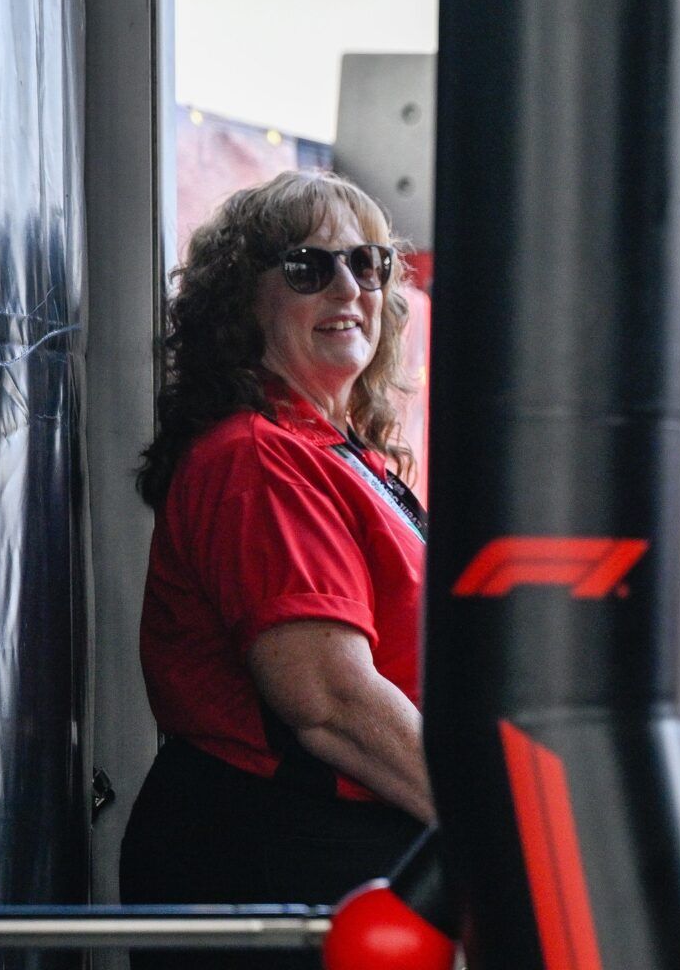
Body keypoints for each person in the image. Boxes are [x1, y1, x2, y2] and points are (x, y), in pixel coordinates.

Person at [121, 169, 433, 966]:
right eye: (307, 267)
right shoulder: (259, 458)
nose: (347, 286)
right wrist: (505, 832)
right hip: (276, 863)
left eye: (369, 265)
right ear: (242, 303)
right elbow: (330, 701)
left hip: (340, 851)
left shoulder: (327, 446)